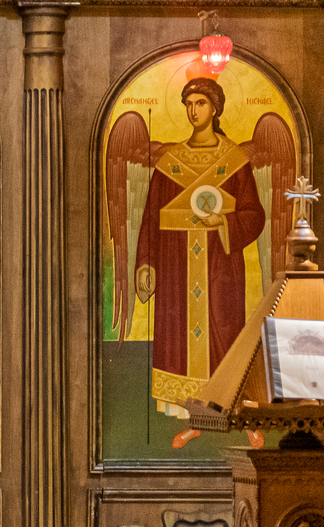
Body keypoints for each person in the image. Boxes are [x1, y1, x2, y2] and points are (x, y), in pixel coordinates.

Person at [134, 77, 266, 449]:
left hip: (220, 264)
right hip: (176, 264)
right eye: (188, 103)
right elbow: (150, 217)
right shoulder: (168, 162)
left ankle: (237, 415)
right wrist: (146, 262)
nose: (194, 111)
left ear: (216, 109)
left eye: (201, 103)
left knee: (224, 333)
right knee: (180, 339)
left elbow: (254, 214)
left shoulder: (235, 161)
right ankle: (194, 420)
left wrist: (224, 222)